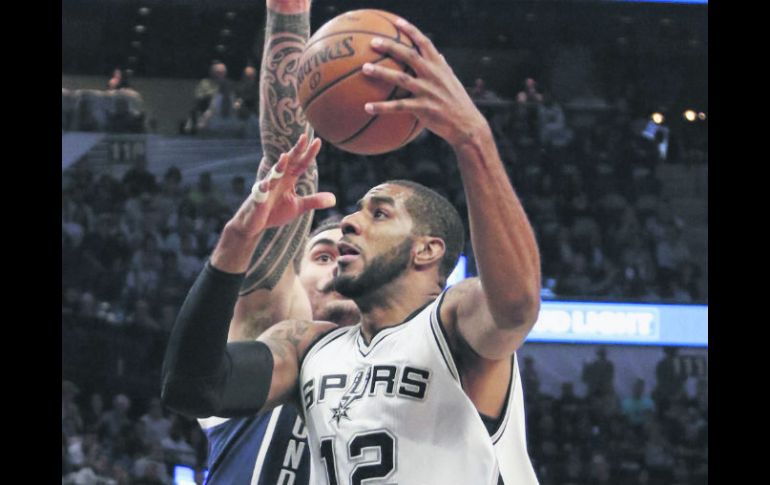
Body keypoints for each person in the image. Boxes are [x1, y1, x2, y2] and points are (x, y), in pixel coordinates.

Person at [163, 16, 541, 485]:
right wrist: (236, 240)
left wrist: (472, 140)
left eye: (379, 213)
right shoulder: (310, 347)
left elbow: (516, 306)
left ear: (427, 251)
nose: (348, 222)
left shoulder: (452, 322)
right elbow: (192, 388)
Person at [193, 1, 359, 483]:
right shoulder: (267, 341)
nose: (339, 264)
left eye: (352, 254)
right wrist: (289, 16)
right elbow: (290, 161)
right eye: (323, 255)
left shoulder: (411, 366)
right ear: (292, 280)